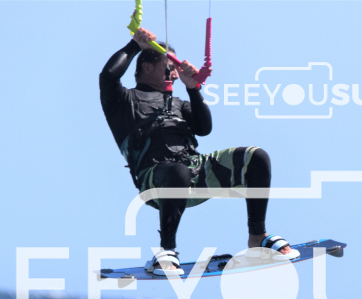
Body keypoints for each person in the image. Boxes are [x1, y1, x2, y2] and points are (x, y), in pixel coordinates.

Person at [99, 27, 298, 275]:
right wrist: (135, 45)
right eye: (169, 66)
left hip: (195, 172)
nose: (175, 72)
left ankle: (257, 236)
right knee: (177, 171)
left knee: (256, 157)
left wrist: (193, 88)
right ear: (147, 68)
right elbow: (108, 76)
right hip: (156, 182)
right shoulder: (123, 101)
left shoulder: (178, 104)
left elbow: (204, 128)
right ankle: (166, 251)